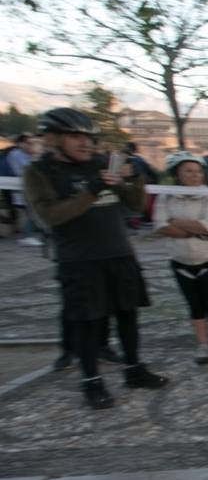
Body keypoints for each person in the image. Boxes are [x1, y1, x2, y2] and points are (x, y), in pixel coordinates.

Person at [24, 108, 169, 409]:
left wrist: (134, 178)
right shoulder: (40, 172)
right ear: (53, 138)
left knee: (128, 316)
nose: (84, 144)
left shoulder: (101, 163)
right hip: (79, 260)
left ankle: (134, 370)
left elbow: (136, 205)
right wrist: (91, 190)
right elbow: (50, 216)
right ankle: (91, 382)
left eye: (88, 138)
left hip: (119, 253)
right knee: (87, 322)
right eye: (75, 136)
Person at [153, 152, 208, 364]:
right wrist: (190, 229)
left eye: (198, 171)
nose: (195, 175)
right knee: (195, 306)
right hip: (180, 259)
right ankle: (202, 345)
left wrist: (175, 221)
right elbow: (160, 225)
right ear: (178, 174)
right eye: (189, 171)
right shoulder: (165, 195)